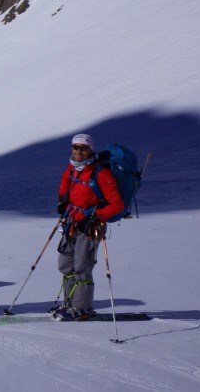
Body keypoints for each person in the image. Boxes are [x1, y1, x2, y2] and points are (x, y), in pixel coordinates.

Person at [53, 133, 124, 321]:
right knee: (65, 264)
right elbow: (64, 187)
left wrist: (96, 217)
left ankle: (82, 308)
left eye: (83, 148)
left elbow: (117, 204)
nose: (78, 151)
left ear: (90, 149)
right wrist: (62, 201)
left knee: (82, 266)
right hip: (71, 222)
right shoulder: (73, 167)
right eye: (75, 147)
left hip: (90, 225)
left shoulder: (101, 172)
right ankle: (69, 303)